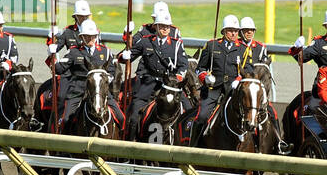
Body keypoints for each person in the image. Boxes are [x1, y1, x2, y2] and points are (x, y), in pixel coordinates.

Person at [122, 11, 189, 139]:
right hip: (148, 85)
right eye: (162, 26)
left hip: (169, 86)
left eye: (167, 26)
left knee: (189, 111)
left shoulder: (177, 45)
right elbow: (126, 56)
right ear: (156, 26)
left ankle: (187, 144)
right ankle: (130, 148)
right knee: (134, 116)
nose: (165, 29)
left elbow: (183, 65)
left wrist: (177, 79)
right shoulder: (146, 42)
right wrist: (125, 56)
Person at [55, 19, 121, 130]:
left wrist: (106, 80)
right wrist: (52, 53)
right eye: (87, 36)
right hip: (78, 90)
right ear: (81, 37)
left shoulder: (105, 52)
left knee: (121, 117)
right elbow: (59, 69)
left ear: (96, 36)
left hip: (100, 90)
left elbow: (112, 71)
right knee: (66, 119)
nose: (90, 39)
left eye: (93, 36)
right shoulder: (73, 52)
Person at [192, 15, 249, 138]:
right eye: (230, 31)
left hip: (234, 90)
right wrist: (205, 78)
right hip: (214, 89)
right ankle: (194, 143)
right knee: (201, 116)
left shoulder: (243, 49)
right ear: (223, 31)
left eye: (236, 31)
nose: (234, 34)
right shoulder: (212, 46)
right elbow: (200, 69)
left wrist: (238, 80)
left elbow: (248, 70)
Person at [47, 0, 92, 67]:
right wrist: (51, 38)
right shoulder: (68, 31)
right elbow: (56, 48)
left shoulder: (94, 31)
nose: (84, 18)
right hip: (72, 68)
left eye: (86, 16)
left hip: (90, 67)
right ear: (75, 16)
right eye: (81, 16)